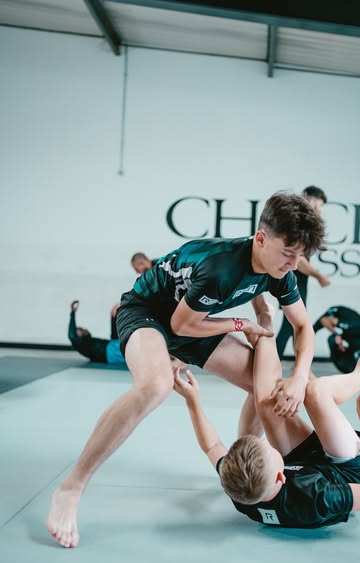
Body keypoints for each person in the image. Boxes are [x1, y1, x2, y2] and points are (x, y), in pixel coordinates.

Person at [46, 192, 325, 548]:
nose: (293, 264)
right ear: (261, 238)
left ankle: (242, 467)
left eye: (300, 256)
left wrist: (299, 377)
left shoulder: (279, 270)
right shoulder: (220, 267)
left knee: (265, 387)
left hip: (196, 320)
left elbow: (302, 327)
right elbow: (180, 325)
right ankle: (71, 487)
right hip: (149, 312)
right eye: (288, 253)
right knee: (156, 386)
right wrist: (240, 324)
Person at [174, 302, 360, 529]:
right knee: (315, 392)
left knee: (268, 405)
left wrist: (192, 400)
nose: (268, 442)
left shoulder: (241, 488)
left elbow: (211, 446)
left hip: (306, 465)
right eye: (270, 449)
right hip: (346, 473)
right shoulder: (316, 498)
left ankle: (265, 327)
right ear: (280, 476)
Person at [276, 185, 330, 360]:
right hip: (292, 281)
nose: (320, 210)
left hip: (297, 282)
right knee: (292, 326)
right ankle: (270, 363)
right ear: (310, 198)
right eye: (320, 205)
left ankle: (300, 365)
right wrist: (318, 275)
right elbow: (298, 260)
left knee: (294, 326)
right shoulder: (296, 222)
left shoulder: (303, 223)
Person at [68, 300, 126, 366]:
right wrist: (72, 313)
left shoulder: (89, 343)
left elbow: (114, 337)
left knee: (113, 311)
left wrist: (114, 313)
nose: (85, 329)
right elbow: (72, 336)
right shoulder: (81, 345)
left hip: (112, 344)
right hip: (111, 352)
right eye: (81, 330)